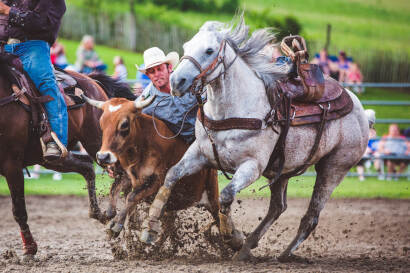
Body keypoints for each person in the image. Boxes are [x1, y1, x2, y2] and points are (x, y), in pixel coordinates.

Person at [0, 0, 68, 160]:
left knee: (47, 84)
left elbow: (41, 22)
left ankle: (55, 140)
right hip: (3, 46)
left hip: (32, 47)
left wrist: (8, 11)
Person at [137, 47, 197, 144]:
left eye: (159, 69)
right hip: (186, 145)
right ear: (148, 75)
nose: (157, 74)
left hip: (211, 132)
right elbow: (130, 113)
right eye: (152, 71)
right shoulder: (146, 102)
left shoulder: (189, 79)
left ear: (169, 67)